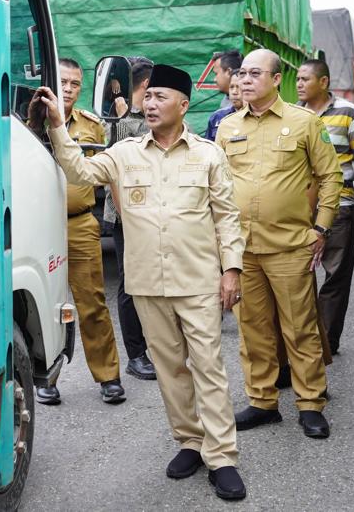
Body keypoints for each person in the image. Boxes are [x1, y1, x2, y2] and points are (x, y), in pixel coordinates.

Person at [35, 64, 248, 501]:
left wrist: (231, 269)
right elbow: (79, 172)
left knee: (208, 368)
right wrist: (57, 125)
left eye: (160, 97)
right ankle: (190, 442)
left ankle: (222, 456)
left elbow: (227, 217)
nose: (150, 104)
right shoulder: (125, 152)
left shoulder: (208, 155)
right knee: (170, 370)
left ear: (183, 105)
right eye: (147, 97)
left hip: (197, 281)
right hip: (148, 283)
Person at [216, 49, 342, 439]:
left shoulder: (304, 122)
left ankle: (310, 404)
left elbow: (331, 176)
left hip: (290, 245)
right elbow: (217, 186)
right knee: (253, 330)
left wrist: (320, 229)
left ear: (276, 79)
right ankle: (262, 402)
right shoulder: (227, 126)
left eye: (255, 73)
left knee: (299, 329)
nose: (245, 80)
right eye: (242, 73)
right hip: (243, 249)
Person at [29, 58, 125, 405]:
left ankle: (109, 376)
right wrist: (36, 121)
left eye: (74, 84)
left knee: (92, 302)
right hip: (38, 225)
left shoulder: (92, 125)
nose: (68, 90)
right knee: (43, 305)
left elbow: (105, 170)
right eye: (63, 82)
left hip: (80, 222)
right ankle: (45, 377)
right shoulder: (29, 121)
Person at [296, 60, 354, 355]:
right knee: (297, 273)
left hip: (341, 203)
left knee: (335, 274)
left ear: (324, 82)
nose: (299, 84)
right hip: (300, 206)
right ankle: (302, 337)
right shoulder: (293, 114)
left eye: (305, 79)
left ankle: (326, 342)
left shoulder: (349, 112)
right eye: (298, 79)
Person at [104, 57, 157, 381]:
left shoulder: (156, 114)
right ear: (146, 84)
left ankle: (157, 347)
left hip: (158, 212)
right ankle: (136, 355)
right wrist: (126, 214)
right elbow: (116, 165)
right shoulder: (119, 118)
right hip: (128, 217)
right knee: (131, 284)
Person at [205, 50, 244, 141]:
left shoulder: (256, 110)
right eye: (232, 87)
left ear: (228, 72)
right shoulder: (218, 115)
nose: (214, 79)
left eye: (216, 74)